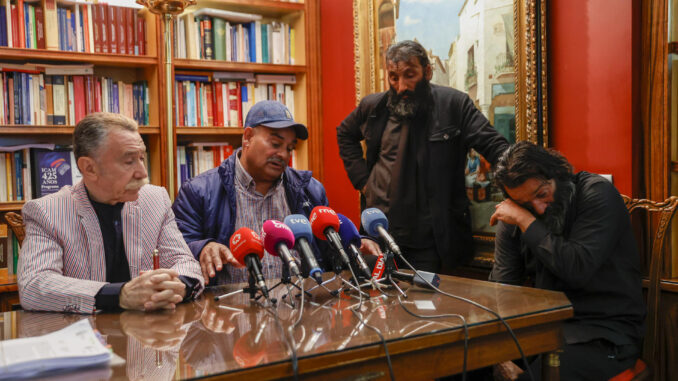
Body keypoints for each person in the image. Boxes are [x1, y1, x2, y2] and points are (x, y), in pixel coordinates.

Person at [337, 40, 509, 273]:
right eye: (394, 77)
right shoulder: (374, 107)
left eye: (410, 75)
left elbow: (495, 146)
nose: (401, 86)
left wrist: (519, 186)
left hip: (432, 243)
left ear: (427, 72)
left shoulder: (454, 105)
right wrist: (364, 183)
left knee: (430, 307)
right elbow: (345, 133)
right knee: (375, 305)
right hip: (377, 236)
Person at [173, 100, 380, 285]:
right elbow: (174, 252)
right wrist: (203, 247)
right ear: (247, 137)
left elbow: (328, 250)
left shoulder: (310, 190)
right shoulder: (199, 191)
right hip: (229, 316)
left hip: (300, 311)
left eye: (290, 148)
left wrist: (354, 247)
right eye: (275, 144)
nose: (283, 154)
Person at [489, 141, 645, 380]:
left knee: (536, 375)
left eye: (542, 194)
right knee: (464, 365)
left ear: (557, 174)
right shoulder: (514, 215)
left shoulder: (596, 193)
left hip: (604, 335)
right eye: (524, 204)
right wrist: (498, 351)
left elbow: (577, 268)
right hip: (543, 331)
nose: (538, 209)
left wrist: (525, 220)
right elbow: (503, 288)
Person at [18, 113, 204, 314]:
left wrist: (178, 287)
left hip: (147, 335)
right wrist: (119, 294)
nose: (143, 173)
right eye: (129, 161)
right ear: (89, 168)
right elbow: (34, 286)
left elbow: (184, 262)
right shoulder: (47, 212)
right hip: (84, 336)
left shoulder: (155, 199)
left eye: (142, 158)